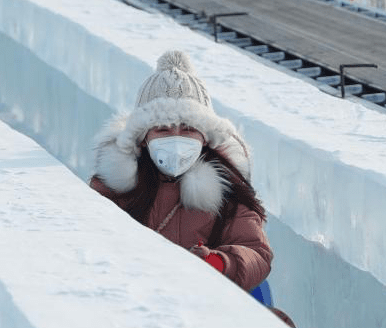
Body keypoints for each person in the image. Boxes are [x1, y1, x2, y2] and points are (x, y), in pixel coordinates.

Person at [90, 50, 272, 294]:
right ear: (143, 138)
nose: (176, 139)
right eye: (163, 130)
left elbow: (255, 251)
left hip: (208, 302)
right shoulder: (113, 187)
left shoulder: (228, 189)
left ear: (205, 138)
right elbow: (93, 239)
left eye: (188, 129)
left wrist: (218, 262)